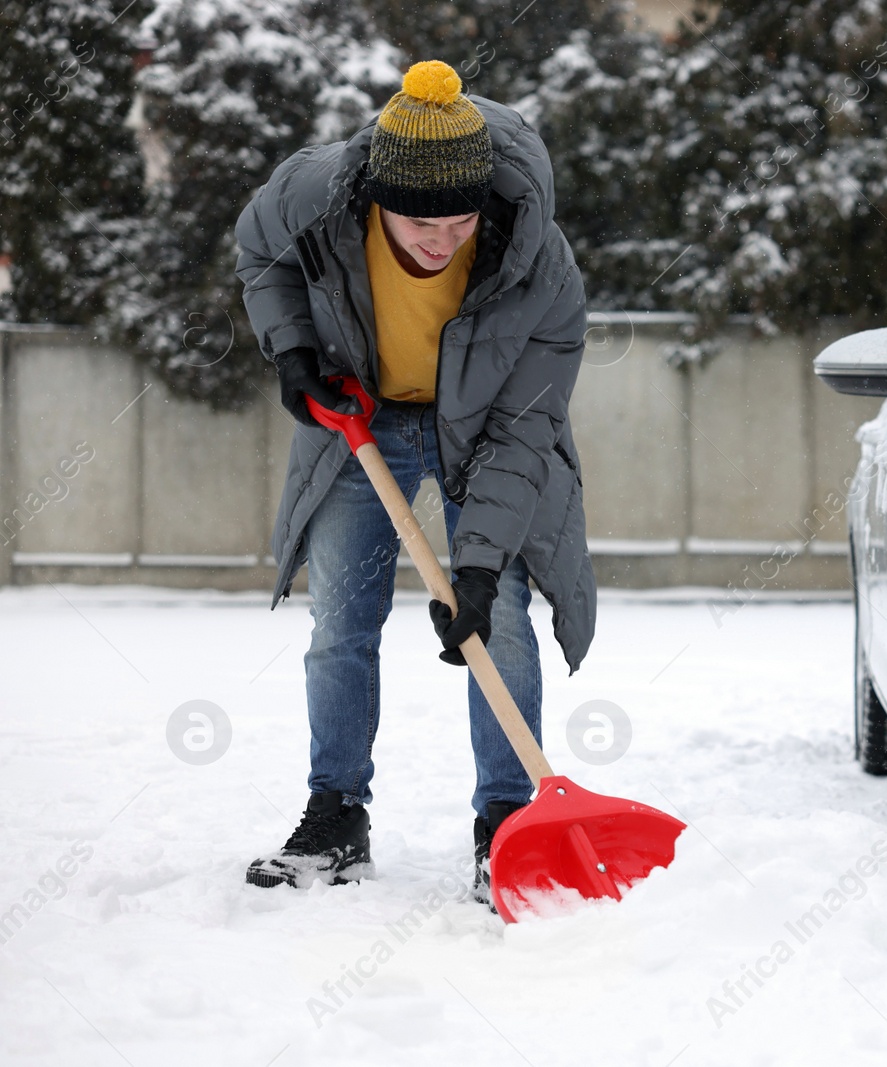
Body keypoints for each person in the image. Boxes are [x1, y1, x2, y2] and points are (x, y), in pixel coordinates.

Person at [232, 60, 595, 903]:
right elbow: (259, 254)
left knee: (498, 611)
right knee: (341, 621)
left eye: (460, 221)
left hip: (483, 434)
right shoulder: (315, 195)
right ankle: (335, 815)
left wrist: (474, 562)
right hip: (365, 417)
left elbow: (525, 427)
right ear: (374, 199)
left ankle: (505, 823)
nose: (440, 242)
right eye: (418, 224)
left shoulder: (540, 265)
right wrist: (291, 353)